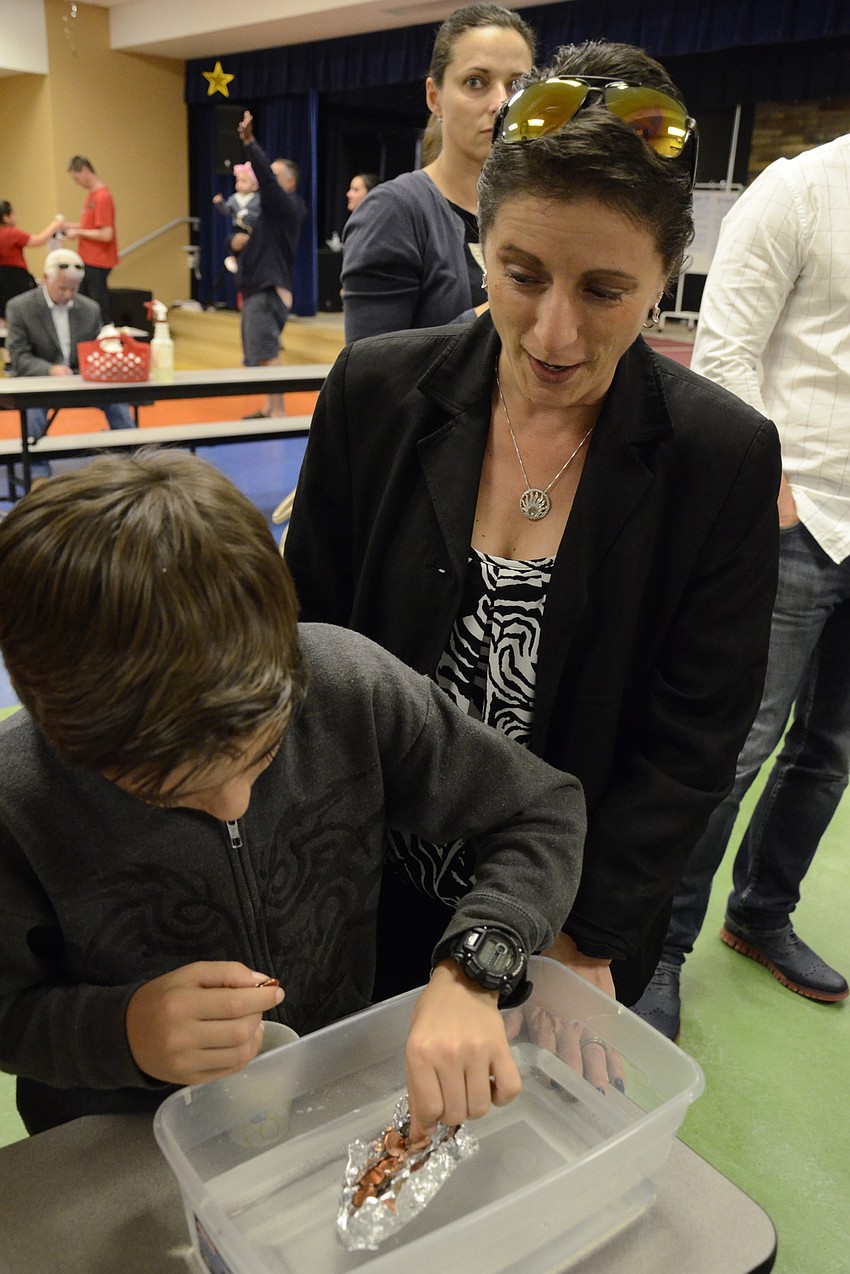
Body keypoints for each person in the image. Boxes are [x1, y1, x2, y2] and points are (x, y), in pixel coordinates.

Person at [285, 42, 783, 1010]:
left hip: (564, 927)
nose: (554, 333)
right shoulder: (375, 395)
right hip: (351, 899)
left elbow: (692, 744)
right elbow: (304, 653)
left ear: (666, 272)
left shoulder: (719, 459)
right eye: (521, 274)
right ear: (480, 239)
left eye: (603, 291)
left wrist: (582, 932)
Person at [0, 450, 585, 1138]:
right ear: (65, 733)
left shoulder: (346, 684)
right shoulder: (19, 800)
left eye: (264, 753)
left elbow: (541, 809)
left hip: (331, 1100)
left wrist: (475, 969)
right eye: (166, 792)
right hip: (123, 1140)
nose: (234, 804)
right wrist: (121, 1032)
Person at [633, 134, 850, 1041]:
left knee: (831, 749)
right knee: (731, 750)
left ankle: (761, 913)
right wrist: (775, 494)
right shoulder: (799, 189)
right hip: (796, 522)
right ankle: (660, 948)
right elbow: (723, 352)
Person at [341, 3, 535, 343]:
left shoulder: (540, 211)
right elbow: (372, 378)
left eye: (518, 84)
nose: (502, 102)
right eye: (476, 82)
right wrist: (503, 307)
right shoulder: (394, 212)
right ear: (435, 97)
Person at [4, 248, 135, 446]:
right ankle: (37, 471)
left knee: (117, 401)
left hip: (80, 378)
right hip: (39, 381)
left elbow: (96, 349)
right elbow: (19, 356)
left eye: (74, 289)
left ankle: (133, 455)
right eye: (63, 288)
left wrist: (111, 348)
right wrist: (49, 370)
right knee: (32, 411)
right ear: (46, 278)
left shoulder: (90, 308)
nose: (68, 294)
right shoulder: (20, 307)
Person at [231, 118, 307, 420]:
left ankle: (278, 413)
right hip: (257, 288)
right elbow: (247, 238)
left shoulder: (289, 206)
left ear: (287, 183)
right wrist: (233, 242)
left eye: (274, 178)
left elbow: (266, 178)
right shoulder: (264, 213)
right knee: (263, 354)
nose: (266, 183)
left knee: (268, 354)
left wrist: (250, 144)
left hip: (267, 290)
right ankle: (269, 407)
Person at [64, 156, 119, 323]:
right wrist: (71, 226)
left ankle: (104, 337)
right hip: (87, 259)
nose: (76, 182)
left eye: (76, 178)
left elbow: (106, 234)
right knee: (84, 304)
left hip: (98, 259)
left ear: (85, 171)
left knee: (98, 306)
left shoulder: (102, 197)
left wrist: (79, 232)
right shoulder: (92, 196)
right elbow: (90, 226)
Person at [0, 202, 65, 317]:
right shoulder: (11, 233)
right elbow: (38, 240)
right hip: (15, 276)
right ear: (6, 217)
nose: (17, 216)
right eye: (14, 213)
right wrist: (54, 226)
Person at [213, 161, 261, 273]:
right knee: (235, 239)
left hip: (252, 228)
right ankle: (234, 258)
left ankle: (252, 262)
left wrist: (249, 215)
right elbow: (227, 211)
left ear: (254, 186)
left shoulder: (257, 199)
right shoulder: (234, 198)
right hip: (238, 228)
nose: (239, 184)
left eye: (244, 181)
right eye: (238, 181)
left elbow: (260, 214)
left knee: (252, 246)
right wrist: (220, 203)